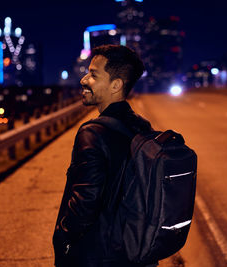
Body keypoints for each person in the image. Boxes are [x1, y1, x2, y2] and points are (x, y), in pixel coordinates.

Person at [53, 44, 157, 267]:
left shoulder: (92, 133)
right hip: (134, 251)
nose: (83, 80)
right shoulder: (143, 127)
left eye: (93, 74)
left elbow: (84, 204)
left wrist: (62, 237)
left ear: (116, 85)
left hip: (99, 256)